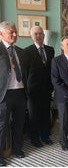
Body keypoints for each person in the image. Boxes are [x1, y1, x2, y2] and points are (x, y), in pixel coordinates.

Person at [0, 21, 27, 165]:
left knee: (19, 124)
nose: (15, 35)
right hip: (4, 95)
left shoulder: (20, 52)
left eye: (15, 32)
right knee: (2, 125)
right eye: (11, 32)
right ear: (1, 34)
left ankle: (17, 149)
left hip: (20, 93)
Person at [24, 26, 55, 148]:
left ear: (43, 35)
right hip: (33, 89)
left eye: (40, 33)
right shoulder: (27, 51)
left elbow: (52, 69)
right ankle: (34, 138)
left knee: (45, 113)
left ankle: (45, 136)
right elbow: (25, 72)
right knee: (34, 114)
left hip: (47, 88)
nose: (38, 36)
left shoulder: (50, 50)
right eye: (36, 34)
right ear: (32, 36)